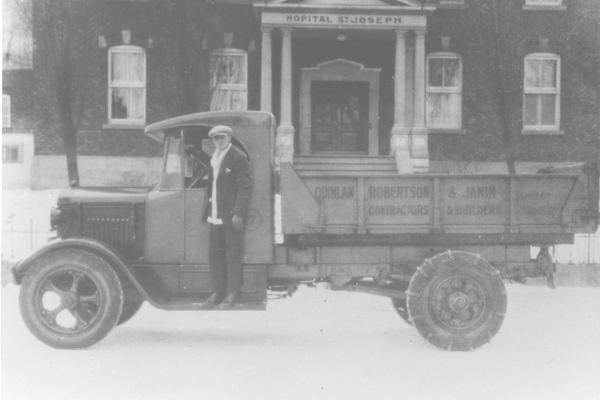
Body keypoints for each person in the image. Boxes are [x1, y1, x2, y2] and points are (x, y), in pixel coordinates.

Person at [201, 125, 252, 309]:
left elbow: (245, 187)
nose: (218, 141)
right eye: (215, 138)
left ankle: (232, 293)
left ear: (229, 138)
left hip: (231, 216)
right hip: (215, 214)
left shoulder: (238, 158)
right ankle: (217, 292)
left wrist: (238, 213)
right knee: (214, 255)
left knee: (232, 255)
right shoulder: (214, 158)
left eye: (222, 137)